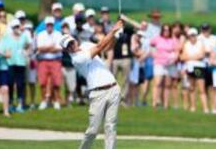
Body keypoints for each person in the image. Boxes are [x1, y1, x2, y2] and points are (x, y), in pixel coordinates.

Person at [60, 19, 124, 149]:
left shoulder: (86, 44)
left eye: (72, 42)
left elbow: (106, 47)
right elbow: (100, 46)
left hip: (113, 87)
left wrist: (115, 35)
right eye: (69, 46)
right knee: (93, 130)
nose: (72, 45)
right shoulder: (77, 60)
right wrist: (113, 30)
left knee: (111, 125)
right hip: (97, 93)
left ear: (74, 40)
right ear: (66, 50)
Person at [2, 19, 31, 113]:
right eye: (15, 27)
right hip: (10, 63)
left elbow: (29, 45)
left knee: (20, 84)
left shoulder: (23, 37)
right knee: (10, 83)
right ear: (12, 28)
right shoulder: (7, 37)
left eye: (18, 27)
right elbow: (2, 49)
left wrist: (27, 52)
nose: (17, 29)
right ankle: (10, 103)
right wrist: (6, 53)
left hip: (21, 63)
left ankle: (20, 104)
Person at [36, 16, 63, 110]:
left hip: (55, 60)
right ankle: (44, 101)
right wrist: (51, 48)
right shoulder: (41, 34)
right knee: (42, 82)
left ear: (53, 25)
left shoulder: (58, 34)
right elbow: (39, 48)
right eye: (48, 25)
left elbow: (59, 48)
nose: (49, 26)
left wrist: (46, 48)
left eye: (51, 25)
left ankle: (56, 101)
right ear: (45, 25)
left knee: (56, 82)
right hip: (43, 61)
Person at [180, 28, 209, 113]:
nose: (192, 37)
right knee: (191, 88)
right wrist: (193, 57)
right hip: (189, 67)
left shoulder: (201, 44)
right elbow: (183, 57)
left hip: (198, 68)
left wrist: (190, 57)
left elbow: (201, 55)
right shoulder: (186, 44)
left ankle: (205, 108)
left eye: (194, 35)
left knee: (201, 89)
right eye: (191, 35)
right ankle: (193, 107)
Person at [150, 24, 178, 109]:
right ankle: (154, 103)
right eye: (165, 30)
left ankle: (165, 104)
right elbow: (151, 45)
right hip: (158, 63)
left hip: (169, 64)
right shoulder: (157, 38)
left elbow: (176, 51)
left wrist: (173, 59)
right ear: (162, 31)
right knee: (157, 83)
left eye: (168, 30)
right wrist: (154, 54)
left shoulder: (172, 40)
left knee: (167, 85)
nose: (166, 32)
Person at [198, 23, 216, 111]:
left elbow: (215, 51)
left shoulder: (214, 38)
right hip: (199, 65)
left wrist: (207, 52)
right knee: (202, 88)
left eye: (207, 29)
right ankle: (205, 108)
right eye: (203, 29)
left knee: (212, 87)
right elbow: (200, 52)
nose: (205, 31)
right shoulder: (198, 38)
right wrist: (207, 52)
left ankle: (213, 107)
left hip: (211, 65)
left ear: (210, 29)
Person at [127, 31, 146, 106]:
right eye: (138, 36)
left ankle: (135, 101)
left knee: (136, 83)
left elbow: (142, 53)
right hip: (133, 63)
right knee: (131, 83)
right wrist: (139, 53)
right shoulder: (132, 42)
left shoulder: (139, 43)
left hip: (138, 64)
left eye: (140, 36)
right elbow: (134, 52)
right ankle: (130, 101)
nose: (139, 37)